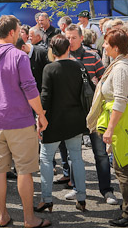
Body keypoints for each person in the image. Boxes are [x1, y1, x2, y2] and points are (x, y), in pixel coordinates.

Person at [0, 15, 50, 228]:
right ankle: (29, 218)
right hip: (20, 120)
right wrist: (41, 115)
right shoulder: (19, 56)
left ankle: (3, 215)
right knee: (24, 170)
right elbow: (30, 87)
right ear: (13, 32)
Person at [93, 29, 128, 227]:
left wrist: (110, 128)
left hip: (123, 122)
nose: (103, 46)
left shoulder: (121, 68)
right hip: (127, 120)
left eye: (106, 43)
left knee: (122, 167)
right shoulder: (123, 63)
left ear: (115, 48)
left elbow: (120, 100)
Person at [64, 24, 117, 205]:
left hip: (94, 112)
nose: (70, 41)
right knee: (74, 154)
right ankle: (77, 188)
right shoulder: (63, 57)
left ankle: (107, 190)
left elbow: (105, 82)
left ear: (81, 38)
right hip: (73, 113)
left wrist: (97, 83)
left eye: (73, 38)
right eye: (67, 38)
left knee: (101, 154)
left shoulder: (92, 56)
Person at [36, 35, 89, 213]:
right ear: (68, 48)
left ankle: (47, 199)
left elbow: (45, 96)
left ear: (52, 50)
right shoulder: (79, 66)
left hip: (53, 120)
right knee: (76, 157)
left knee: (46, 158)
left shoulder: (49, 68)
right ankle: (81, 197)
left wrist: (40, 118)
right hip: (75, 118)